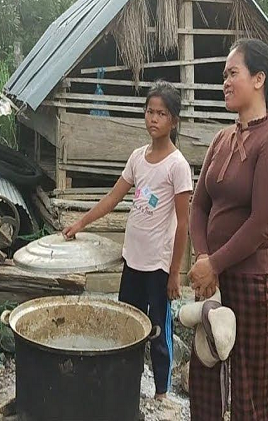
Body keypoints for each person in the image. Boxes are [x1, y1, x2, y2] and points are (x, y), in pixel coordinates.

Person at [63, 81, 193, 399]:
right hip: (132, 260)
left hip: (159, 266)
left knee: (157, 331)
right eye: (150, 111)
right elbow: (112, 198)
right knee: (127, 325)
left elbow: (184, 224)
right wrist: (80, 222)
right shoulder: (138, 157)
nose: (154, 119)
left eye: (161, 113)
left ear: (173, 121)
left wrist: (175, 272)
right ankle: (127, 385)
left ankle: (161, 394)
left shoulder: (177, 166)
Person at [187, 39, 268, 421]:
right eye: (224, 75)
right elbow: (198, 205)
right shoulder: (222, 138)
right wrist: (203, 259)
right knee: (204, 373)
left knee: (249, 386)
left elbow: (261, 227)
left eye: (233, 73)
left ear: (259, 79)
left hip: (250, 280)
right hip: (212, 278)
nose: (225, 82)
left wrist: (213, 263)